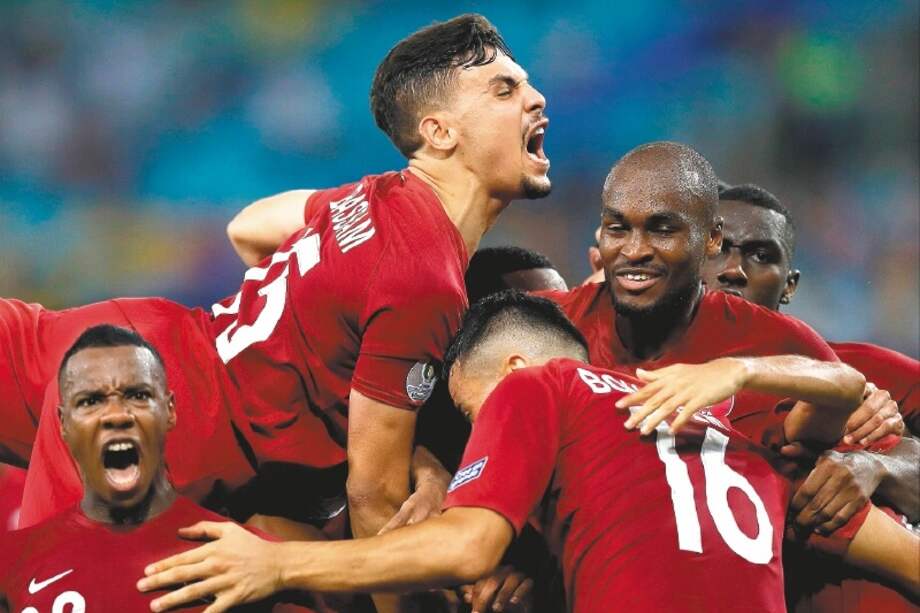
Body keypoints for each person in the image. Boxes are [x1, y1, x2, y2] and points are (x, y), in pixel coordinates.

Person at [12, 15, 550, 575]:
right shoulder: (424, 278)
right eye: (505, 89)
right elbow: (373, 498)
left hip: (121, 333)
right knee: (52, 583)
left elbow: (249, 227)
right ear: (439, 132)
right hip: (171, 427)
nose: (535, 98)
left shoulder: (372, 198)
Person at [137, 292, 918, 613]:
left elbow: (468, 541)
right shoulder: (722, 434)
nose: (487, 438)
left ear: (512, 374)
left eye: (475, 418)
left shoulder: (539, 390)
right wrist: (741, 370)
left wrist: (277, 563)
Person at [701, 181, 920, 613]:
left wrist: (879, 464)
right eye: (718, 249)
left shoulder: (856, 371)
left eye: (761, 256)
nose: (734, 270)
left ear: (790, 286)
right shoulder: (634, 381)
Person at [0, 325, 307, 612]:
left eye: (138, 395)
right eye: (91, 401)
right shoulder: (12, 560)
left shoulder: (247, 557)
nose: (116, 415)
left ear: (169, 410)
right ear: (63, 423)